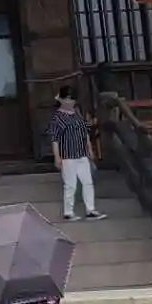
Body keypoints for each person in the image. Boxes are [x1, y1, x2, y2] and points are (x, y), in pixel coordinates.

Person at [48, 86, 106, 223]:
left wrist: (89, 149)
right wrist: (57, 157)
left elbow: (85, 133)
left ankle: (90, 210)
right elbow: (55, 139)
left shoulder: (77, 114)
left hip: (82, 154)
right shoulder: (57, 118)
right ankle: (68, 212)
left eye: (72, 99)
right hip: (67, 155)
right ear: (62, 100)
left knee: (87, 182)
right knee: (70, 184)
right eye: (68, 99)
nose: (70, 102)